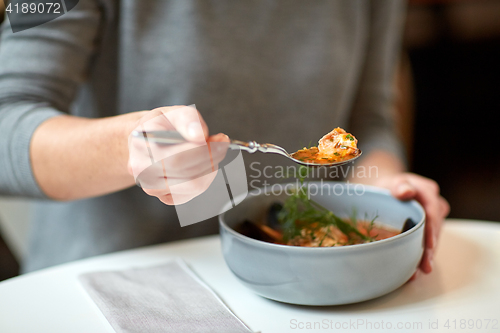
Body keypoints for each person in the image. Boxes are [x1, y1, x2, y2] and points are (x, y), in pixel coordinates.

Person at [0, 1, 449, 274]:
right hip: (110, 284)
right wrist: (134, 148)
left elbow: (367, 119)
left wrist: (384, 187)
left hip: (295, 282)